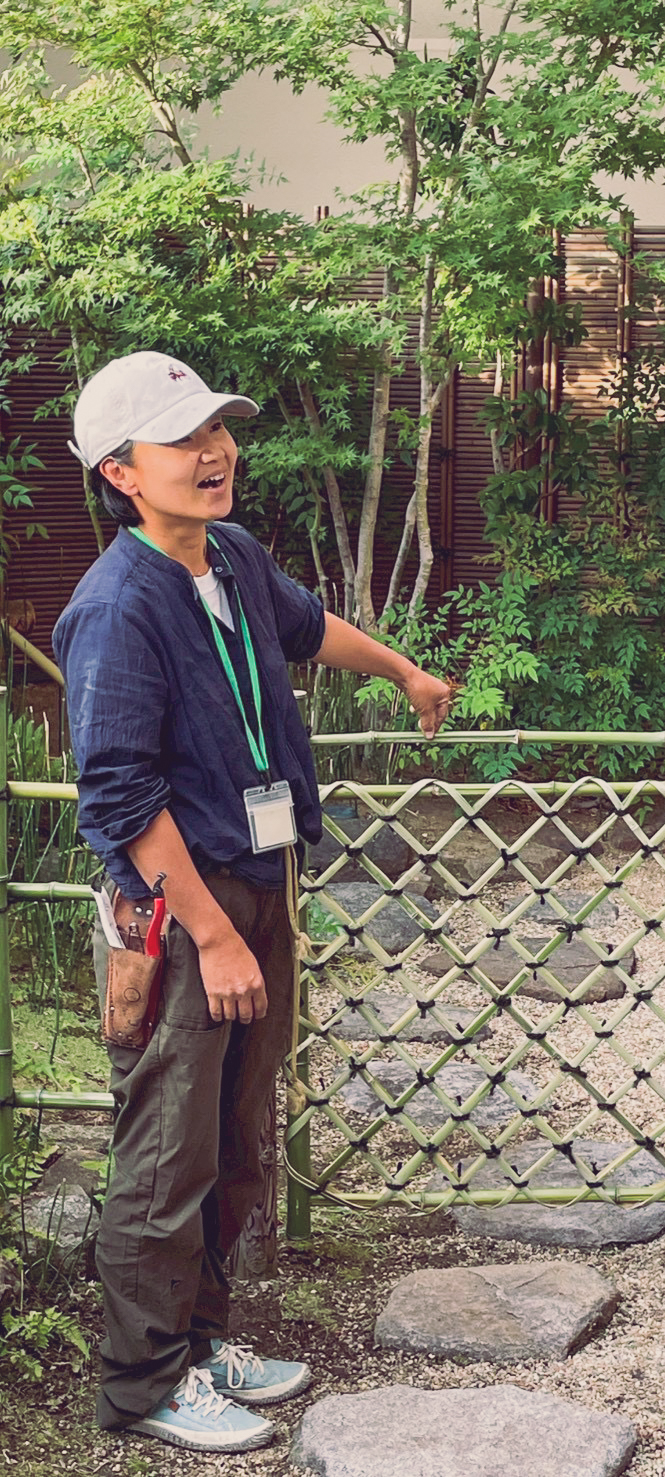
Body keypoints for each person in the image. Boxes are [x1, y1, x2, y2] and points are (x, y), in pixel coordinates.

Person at [54, 351, 453, 1453]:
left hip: (257, 882)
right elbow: (123, 800)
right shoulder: (115, 608)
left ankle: (200, 1340)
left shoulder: (227, 554)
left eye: (217, 430)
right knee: (166, 1149)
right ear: (123, 472)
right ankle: (141, 1384)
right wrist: (219, 936)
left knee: (233, 1134)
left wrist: (404, 671)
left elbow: (305, 625)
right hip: (185, 915)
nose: (214, 451)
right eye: (183, 439)